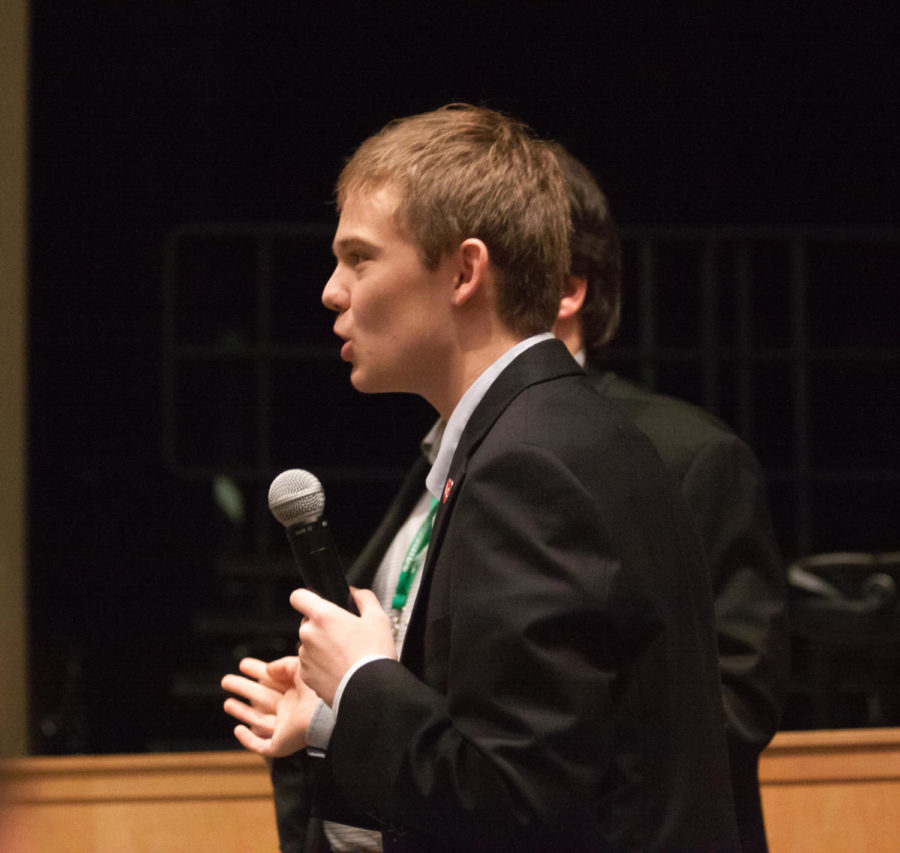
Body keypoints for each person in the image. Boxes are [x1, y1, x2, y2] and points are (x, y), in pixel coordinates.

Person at [223, 104, 739, 851]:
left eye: (360, 258)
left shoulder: (530, 466)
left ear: (464, 271)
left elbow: (515, 798)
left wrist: (364, 675)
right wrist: (341, 709)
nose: (333, 291)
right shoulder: (565, 430)